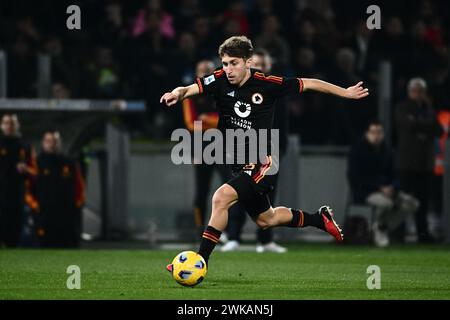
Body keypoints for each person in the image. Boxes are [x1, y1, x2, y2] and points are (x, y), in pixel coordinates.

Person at [161, 36, 368, 269]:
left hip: (262, 162)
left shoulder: (268, 84)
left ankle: (200, 262)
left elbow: (309, 83)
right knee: (266, 219)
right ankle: (319, 219)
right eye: (225, 63)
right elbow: (189, 88)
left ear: (248, 62)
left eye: (234, 63)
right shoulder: (218, 79)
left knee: (220, 198)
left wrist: (346, 93)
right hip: (239, 164)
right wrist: (176, 94)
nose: (228, 69)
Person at [221, 48, 287, 253]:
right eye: (256, 64)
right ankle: (234, 237)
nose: (260, 69)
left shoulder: (275, 89)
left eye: (264, 65)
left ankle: (265, 241)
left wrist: (278, 150)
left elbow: (283, 125)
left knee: (267, 195)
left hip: (270, 151)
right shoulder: (236, 90)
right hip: (242, 149)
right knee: (238, 194)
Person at [183, 59, 245, 240]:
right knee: (201, 191)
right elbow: (191, 123)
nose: (205, 74)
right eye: (201, 70)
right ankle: (200, 230)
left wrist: (206, 119)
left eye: (208, 70)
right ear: (196, 74)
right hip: (201, 148)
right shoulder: (191, 94)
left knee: (230, 189)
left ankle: (226, 231)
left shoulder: (225, 91)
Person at [348, 120, 419, 247]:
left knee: (412, 203)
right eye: (373, 132)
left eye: (379, 132)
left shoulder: (387, 151)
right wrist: (379, 188)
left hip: (388, 191)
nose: (376, 135)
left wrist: (393, 187)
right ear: (367, 134)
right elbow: (355, 178)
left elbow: (395, 175)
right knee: (386, 204)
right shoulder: (357, 151)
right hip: (366, 191)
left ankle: (381, 227)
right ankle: (380, 229)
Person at [394, 77, 443, 243]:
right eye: (416, 91)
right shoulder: (402, 107)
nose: (419, 94)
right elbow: (408, 125)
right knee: (402, 200)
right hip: (407, 163)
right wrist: (425, 126)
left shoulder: (428, 109)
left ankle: (423, 233)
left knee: (423, 201)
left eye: (421, 91)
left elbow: (439, 130)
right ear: (410, 92)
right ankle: (397, 233)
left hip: (424, 163)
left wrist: (419, 124)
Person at [29, 131, 85, 248]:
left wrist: (76, 205)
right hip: (44, 216)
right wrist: (36, 206)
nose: (52, 144)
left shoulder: (70, 163)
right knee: (44, 250)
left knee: (69, 248)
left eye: (55, 141)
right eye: (49, 141)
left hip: (66, 217)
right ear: (43, 143)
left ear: (59, 143)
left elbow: (79, 187)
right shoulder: (36, 164)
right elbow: (28, 189)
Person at [0, 114, 35, 248]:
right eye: (7, 123)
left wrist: (26, 170)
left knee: (13, 230)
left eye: (12, 123)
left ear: (18, 125)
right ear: (2, 126)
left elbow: (35, 171)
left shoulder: (25, 146)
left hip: (16, 196)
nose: (10, 126)